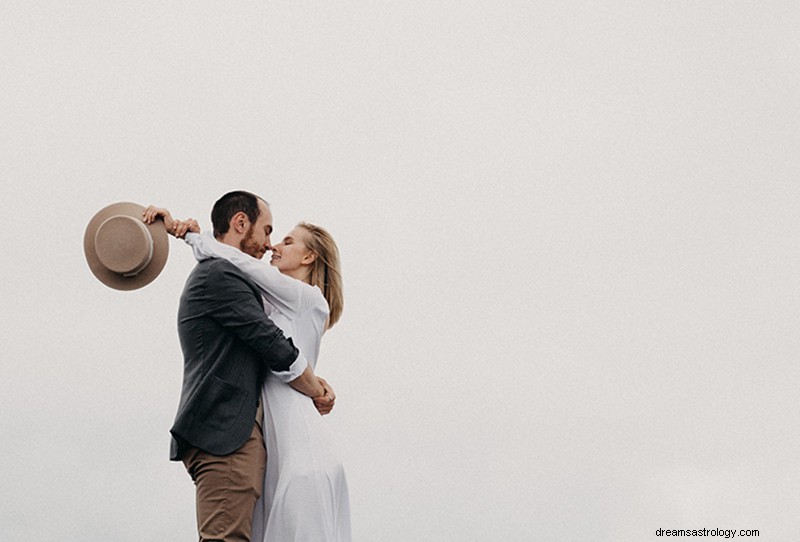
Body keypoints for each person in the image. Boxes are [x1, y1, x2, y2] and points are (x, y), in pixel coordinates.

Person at [145, 198, 351, 541]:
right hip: (270, 441)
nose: (272, 244)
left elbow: (246, 273)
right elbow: (238, 269)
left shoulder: (307, 297)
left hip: (295, 442)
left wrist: (192, 236)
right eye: (270, 232)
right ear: (241, 222)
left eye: (285, 240)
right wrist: (315, 384)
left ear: (308, 257)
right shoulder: (256, 292)